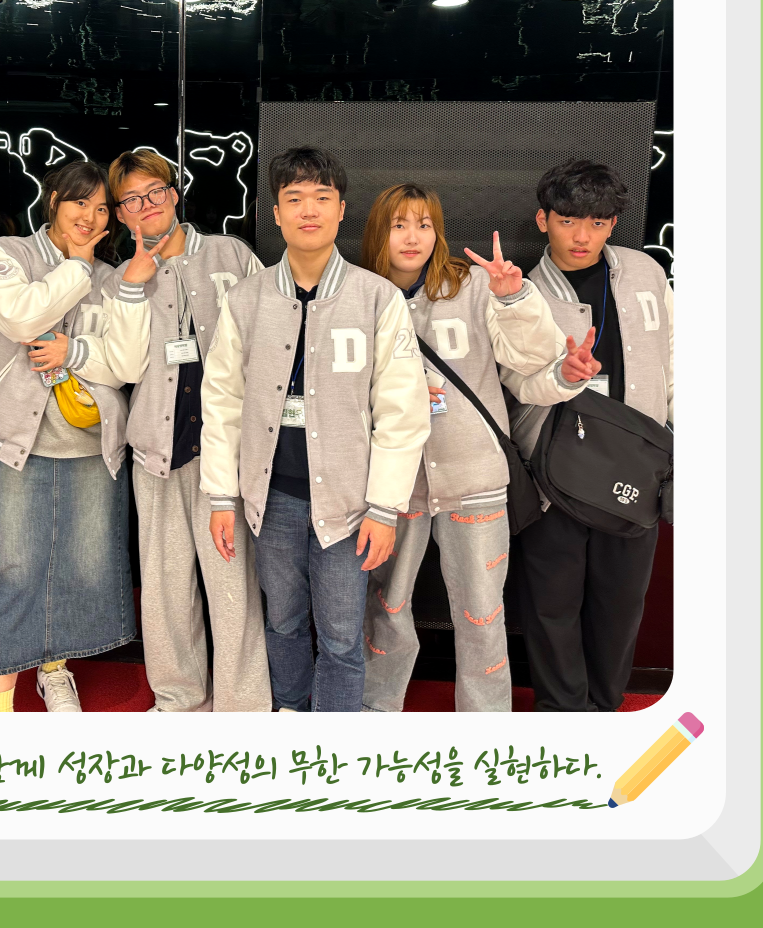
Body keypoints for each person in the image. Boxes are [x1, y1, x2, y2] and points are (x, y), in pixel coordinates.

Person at [200, 148, 430, 712]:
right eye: (295, 198)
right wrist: (222, 496)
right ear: (275, 212)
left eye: (322, 198)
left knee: (343, 638)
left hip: (349, 505)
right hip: (271, 497)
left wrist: (384, 508)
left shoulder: (377, 298)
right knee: (281, 622)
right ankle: (292, 718)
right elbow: (223, 401)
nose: (309, 210)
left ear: (341, 209)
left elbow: (402, 410)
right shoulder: (246, 299)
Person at [358, 183, 599, 713]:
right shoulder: (359, 296)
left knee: (482, 613)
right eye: (399, 225)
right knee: (385, 606)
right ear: (378, 231)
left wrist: (515, 301)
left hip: (475, 479)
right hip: (393, 487)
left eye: (424, 225)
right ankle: (375, 711)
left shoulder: (469, 287)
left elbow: (529, 367)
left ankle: (485, 725)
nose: (413, 237)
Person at [102, 149, 270, 713]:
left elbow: (272, 335)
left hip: (226, 453)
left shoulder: (230, 254)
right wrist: (133, 285)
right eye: (131, 199)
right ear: (120, 214)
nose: (146, 205)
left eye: (155, 191)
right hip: (156, 448)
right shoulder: (119, 280)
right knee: (164, 585)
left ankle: (243, 707)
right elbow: (121, 367)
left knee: (232, 584)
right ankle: (178, 700)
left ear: (174, 194)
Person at [505, 159, 674, 712]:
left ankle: (605, 707)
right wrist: (563, 375)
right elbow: (513, 383)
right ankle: (562, 716)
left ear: (612, 224)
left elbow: (676, 361)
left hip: (636, 470)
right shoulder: (524, 292)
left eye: (598, 223)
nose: (583, 236)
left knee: (621, 603)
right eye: (568, 221)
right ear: (543, 220)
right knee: (551, 606)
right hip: (556, 471)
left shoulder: (645, 271)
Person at [0, 161, 135, 712]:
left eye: (102, 208)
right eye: (79, 203)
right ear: (53, 201)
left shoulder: (114, 278)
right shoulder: (8, 253)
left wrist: (78, 353)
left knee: (80, 567)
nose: (90, 217)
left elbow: (126, 364)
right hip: (23, 442)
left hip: (91, 442)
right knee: (18, 567)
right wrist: (77, 266)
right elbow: (21, 319)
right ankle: (1, 695)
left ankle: (54, 669)